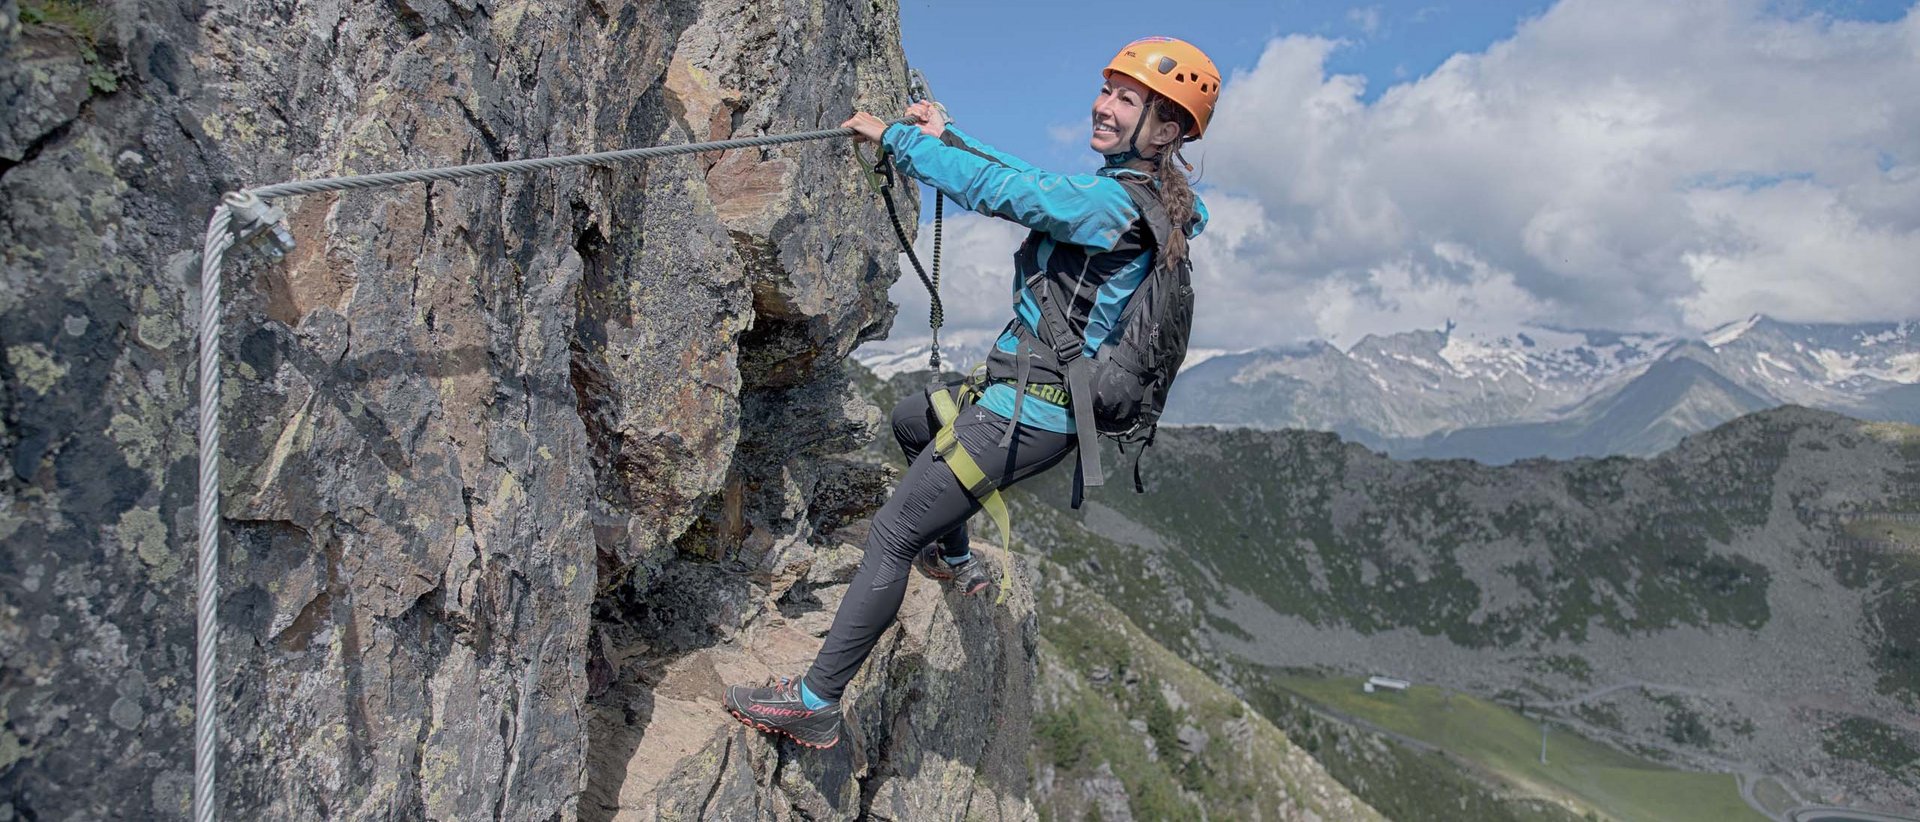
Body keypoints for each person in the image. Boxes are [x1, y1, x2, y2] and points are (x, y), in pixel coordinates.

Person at [723, 37, 1219, 749]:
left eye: (1126, 99)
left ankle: (816, 701)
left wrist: (898, 140)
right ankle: (954, 558)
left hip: (1026, 410)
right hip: (1027, 397)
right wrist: (947, 136)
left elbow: (1009, 193)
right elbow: (1028, 175)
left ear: (1166, 130)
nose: (1103, 105)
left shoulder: (1112, 206)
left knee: (893, 535)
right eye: (1107, 90)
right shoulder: (1134, 199)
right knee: (910, 420)